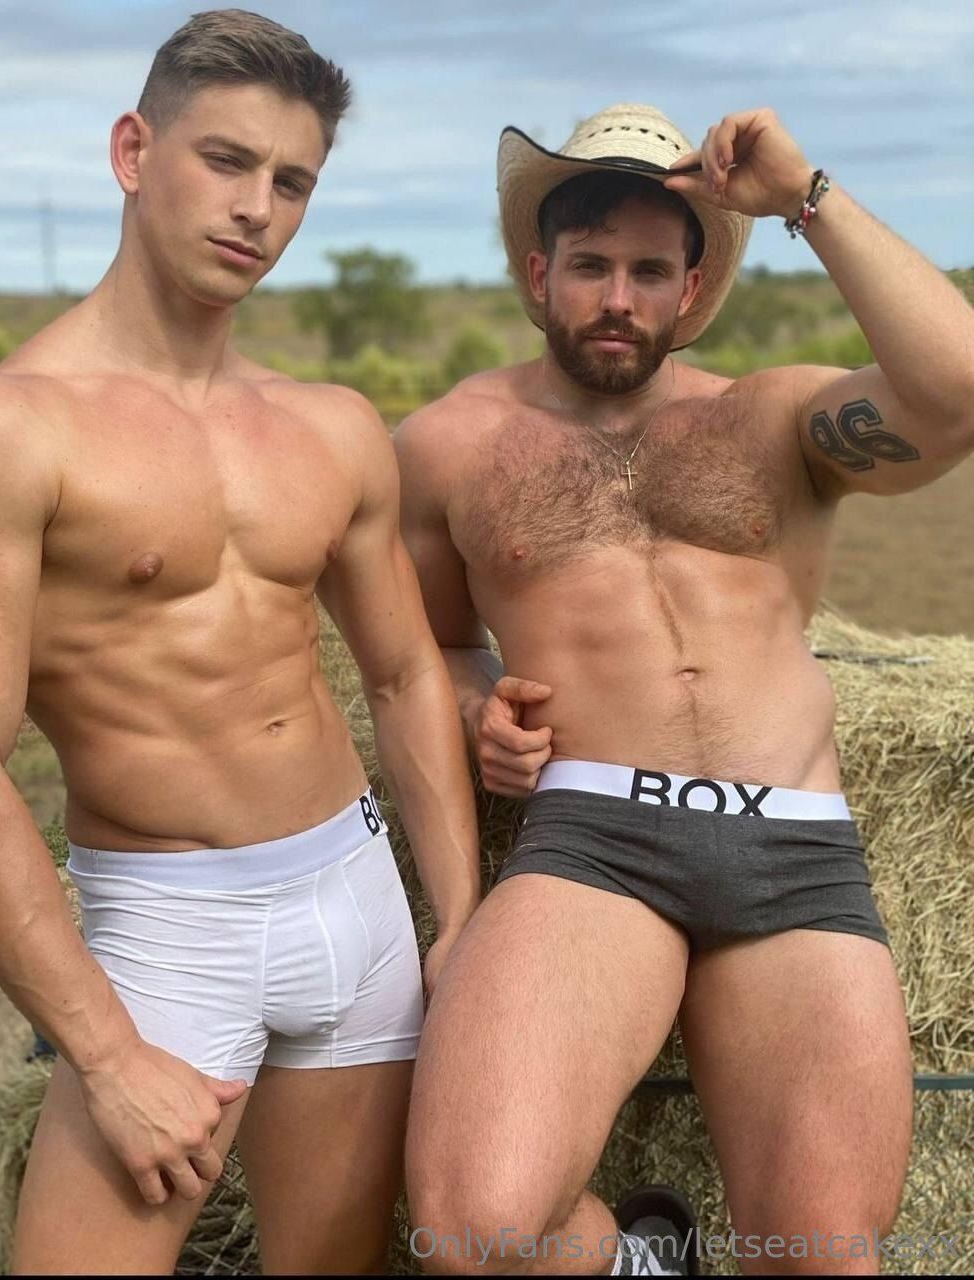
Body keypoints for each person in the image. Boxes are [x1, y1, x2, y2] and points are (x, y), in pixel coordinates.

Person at [0, 10, 481, 1275]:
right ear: (134, 150)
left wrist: (456, 915)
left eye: (293, 182)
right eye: (226, 160)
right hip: (169, 932)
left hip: (356, 907)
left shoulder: (332, 425)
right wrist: (108, 1054)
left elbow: (403, 674)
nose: (257, 210)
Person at [395, 101, 974, 1276]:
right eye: (591, 265)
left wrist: (807, 197)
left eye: (651, 271)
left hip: (797, 852)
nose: (619, 297)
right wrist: (476, 710)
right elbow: (437, 650)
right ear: (539, 272)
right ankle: (642, 1261)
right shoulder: (446, 445)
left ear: (692, 287)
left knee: (821, 1257)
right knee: (471, 1231)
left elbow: (958, 386)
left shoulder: (772, 417)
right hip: (594, 843)